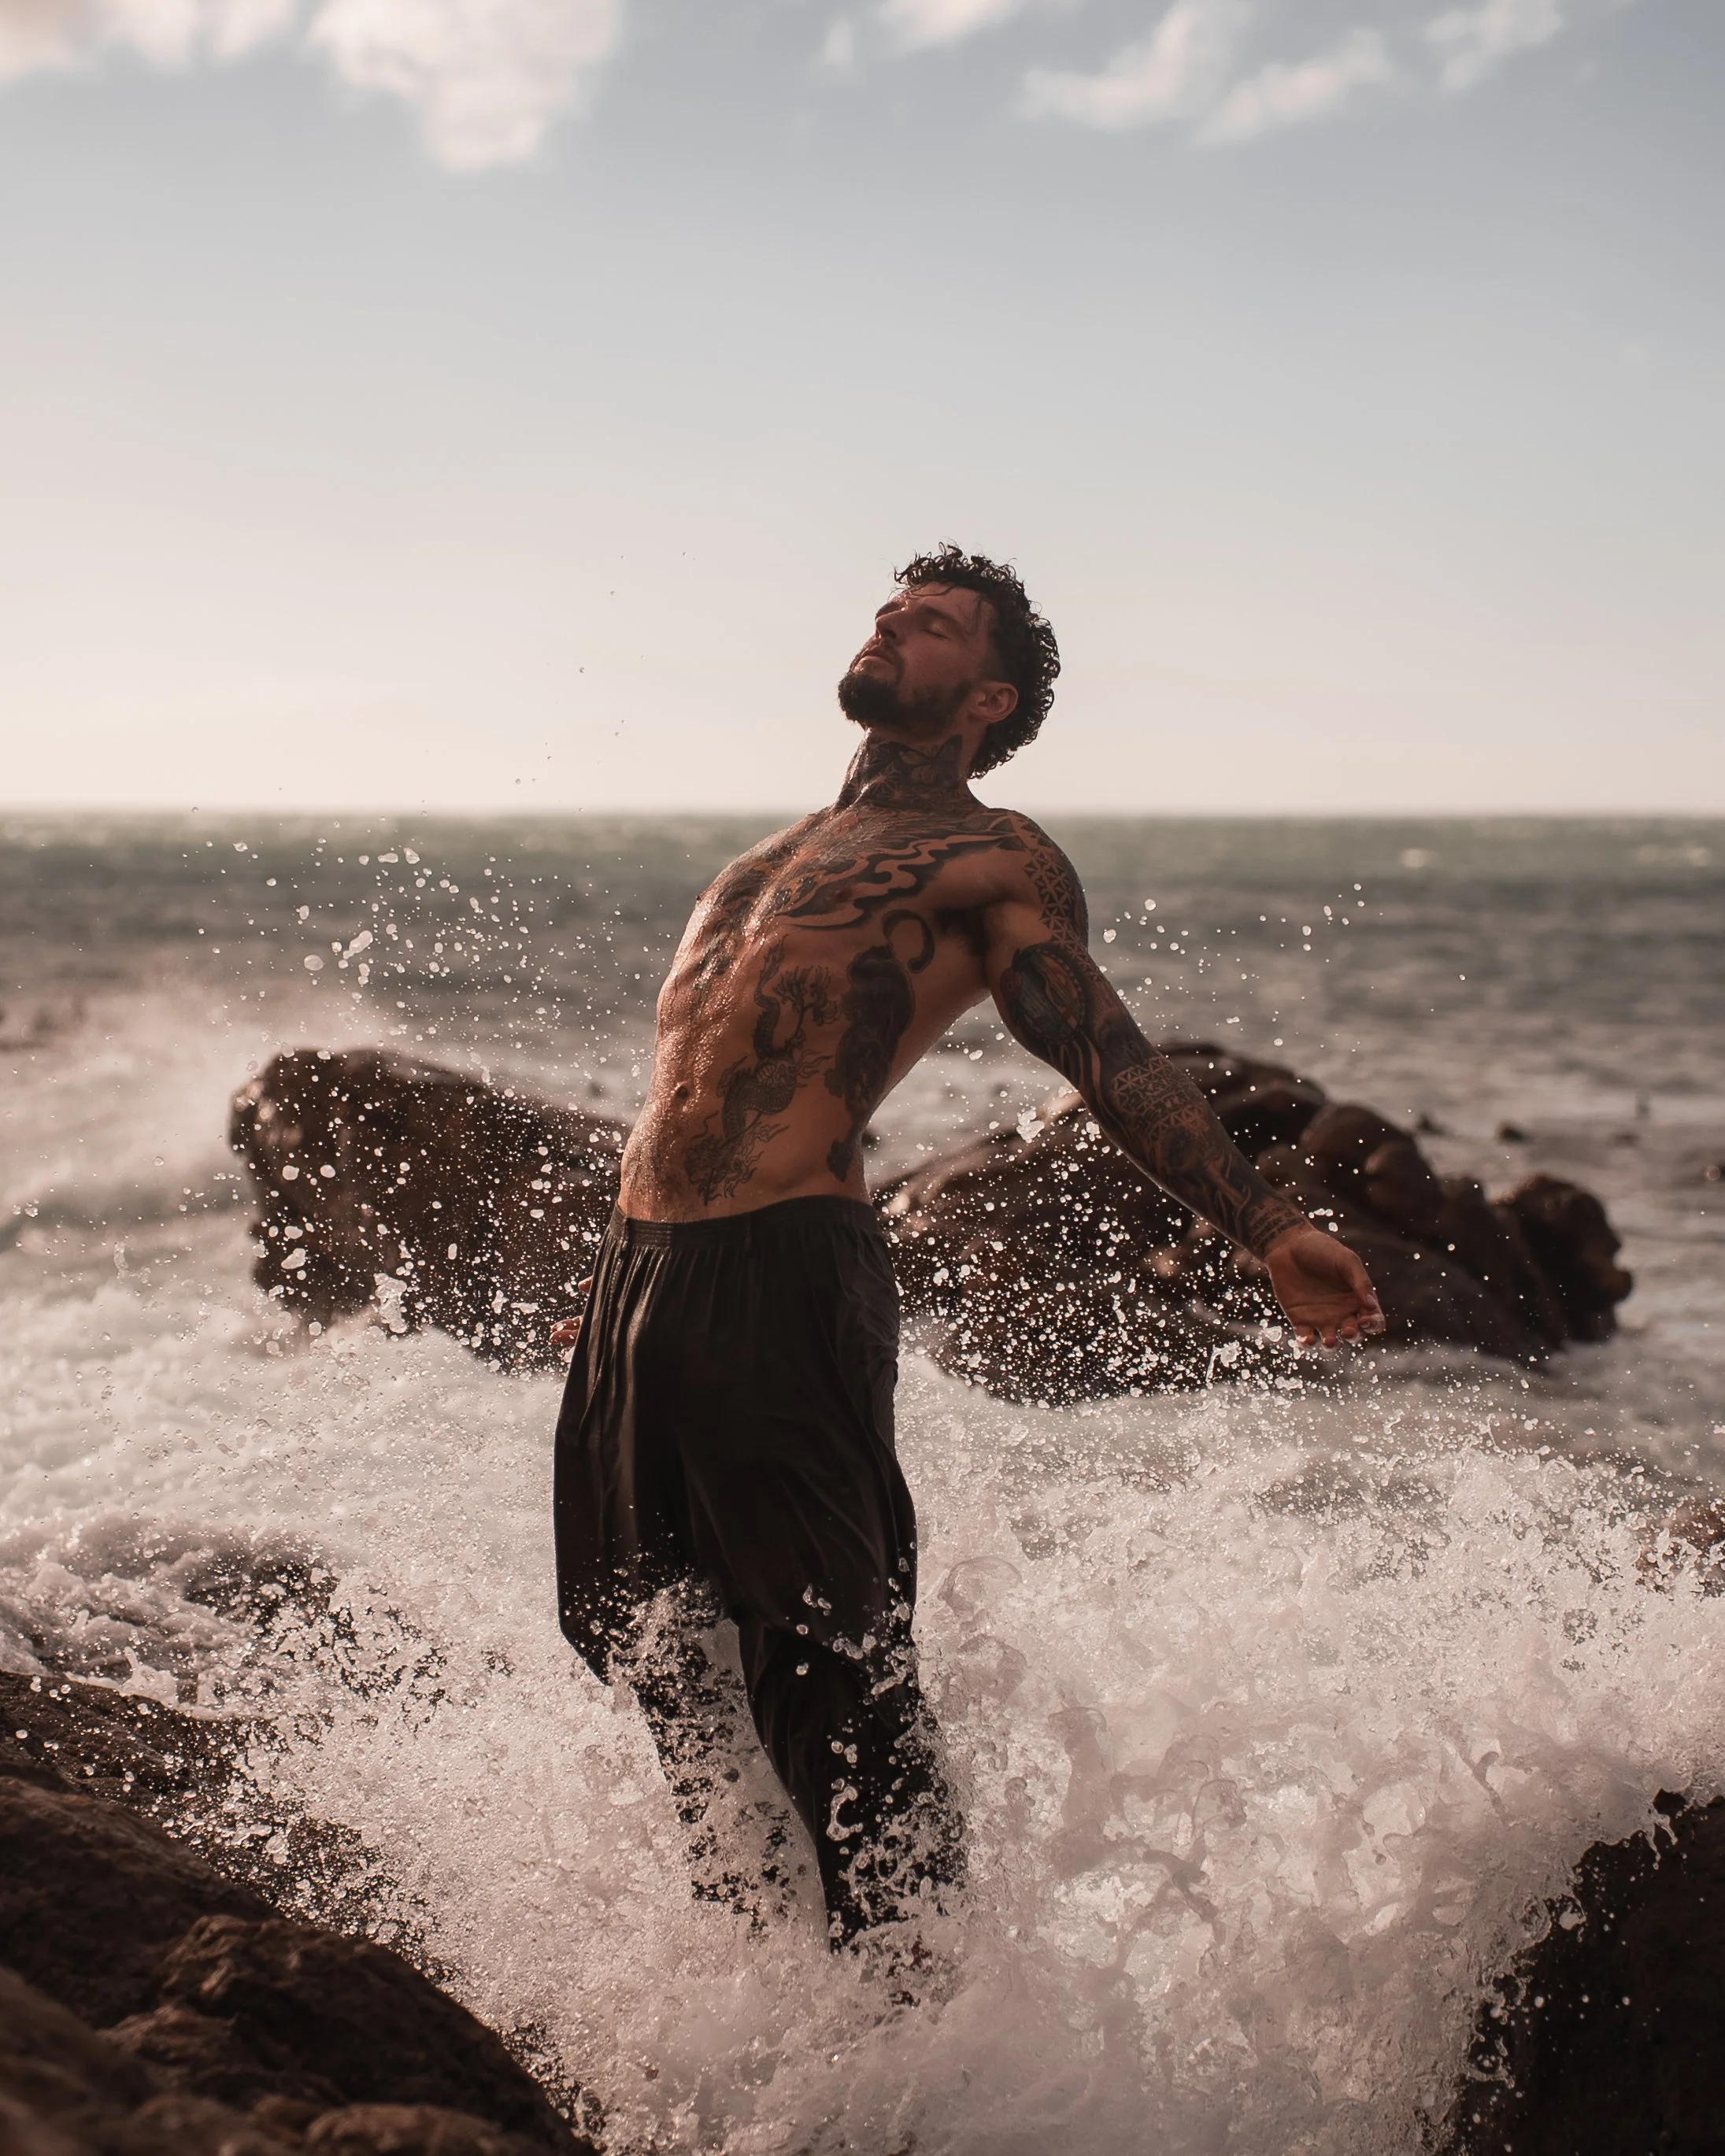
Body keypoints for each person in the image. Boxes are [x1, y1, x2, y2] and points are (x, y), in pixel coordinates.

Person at [552, 544, 1383, 1951]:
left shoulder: (992, 858)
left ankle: (927, 2027)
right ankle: (756, 1981)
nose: (890, 623)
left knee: (834, 1669)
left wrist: (1265, 1225)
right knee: (641, 1635)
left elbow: (1102, 1049)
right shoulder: (765, 859)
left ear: (985, 695)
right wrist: (615, 1286)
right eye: (888, 608)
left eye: (928, 623)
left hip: (783, 1272)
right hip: (645, 1277)